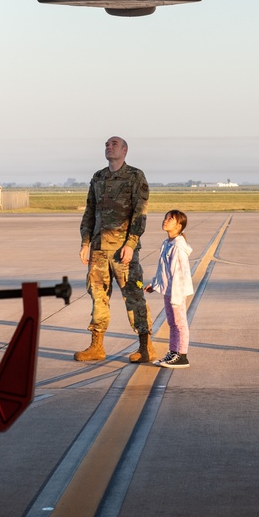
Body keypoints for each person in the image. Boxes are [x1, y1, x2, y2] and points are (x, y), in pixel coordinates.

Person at [76, 136, 153, 362]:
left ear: (125, 150)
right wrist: (85, 242)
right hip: (99, 250)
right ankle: (96, 346)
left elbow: (140, 214)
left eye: (114, 144)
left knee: (134, 297)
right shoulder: (98, 177)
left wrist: (131, 244)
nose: (109, 148)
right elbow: (90, 212)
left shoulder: (135, 176)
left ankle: (145, 346)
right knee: (98, 297)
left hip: (123, 252)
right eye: (107, 145)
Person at [145, 210, 194, 368]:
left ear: (179, 226)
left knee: (180, 323)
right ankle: (173, 352)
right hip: (168, 291)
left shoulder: (178, 247)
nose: (165, 221)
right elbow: (162, 269)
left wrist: (176, 297)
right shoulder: (167, 243)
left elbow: (179, 274)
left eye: (170, 219)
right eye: (165, 218)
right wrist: (155, 284)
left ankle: (182, 355)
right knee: (172, 323)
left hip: (176, 292)